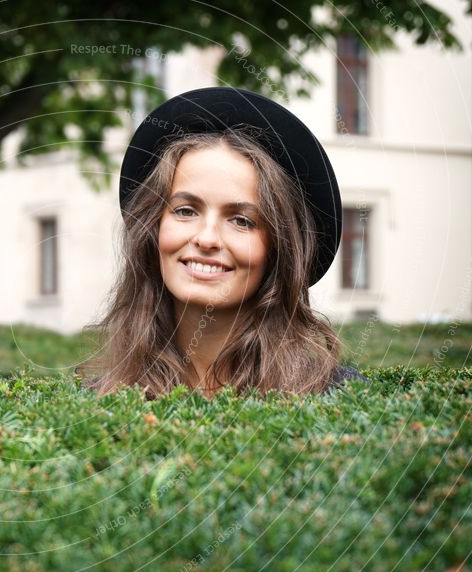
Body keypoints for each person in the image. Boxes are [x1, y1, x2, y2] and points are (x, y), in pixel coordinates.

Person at [78, 87, 367, 399]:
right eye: (186, 211)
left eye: (241, 220)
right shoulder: (104, 398)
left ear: (277, 249)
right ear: (154, 229)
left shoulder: (336, 395)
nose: (207, 238)